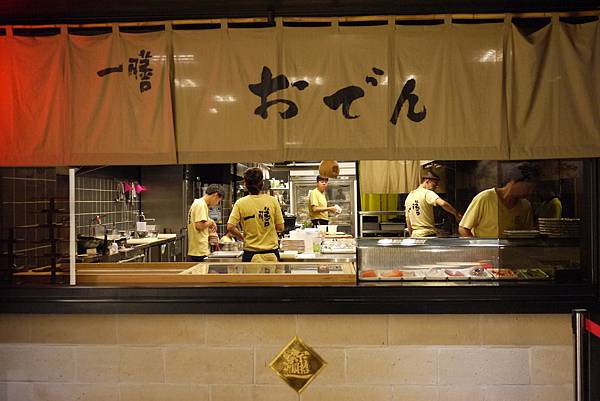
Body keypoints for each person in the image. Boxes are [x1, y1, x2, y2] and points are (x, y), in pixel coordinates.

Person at [459, 162, 538, 238]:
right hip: (485, 251)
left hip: (512, 251)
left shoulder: (525, 206)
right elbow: (463, 229)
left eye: (532, 189)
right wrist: (478, 249)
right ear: (514, 182)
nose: (529, 192)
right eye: (527, 188)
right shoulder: (485, 198)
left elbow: (527, 234)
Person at [227, 167, 284, 262]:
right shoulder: (272, 201)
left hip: (250, 254)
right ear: (262, 183)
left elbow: (230, 227)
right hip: (271, 253)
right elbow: (280, 227)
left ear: (245, 185)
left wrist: (242, 237)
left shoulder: (240, 203)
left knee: (252, 278)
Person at [404, 171, 462, 237]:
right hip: (427, 234)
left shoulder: (409, 196)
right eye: (434, 184)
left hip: (415, 235)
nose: (435, 187)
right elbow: (443, 203)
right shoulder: (427, 193)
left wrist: (411, 235)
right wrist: (456, 214)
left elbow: (407, 219)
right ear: (427, 181)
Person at [187, 184, 224, 262]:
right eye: (218, 200)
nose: (217, 203)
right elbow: (199, 225)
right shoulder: (201, 204)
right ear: (215, 195)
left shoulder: (198, 203)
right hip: (199, 251)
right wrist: (210, 222)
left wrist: (210, 230)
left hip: (197, 249)